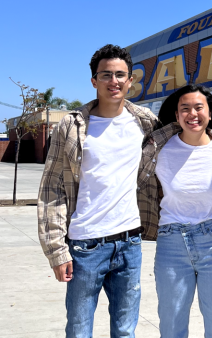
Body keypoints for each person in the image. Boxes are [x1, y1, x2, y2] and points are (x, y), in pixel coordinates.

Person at [38, 44, 158, 337]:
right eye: (106, 75)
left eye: (120, 75)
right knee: (79, 331)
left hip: (130, 243)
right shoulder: (72, 125)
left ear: (130, 80)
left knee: (125, 331)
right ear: (94, 81)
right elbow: (52, 189)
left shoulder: (145, 122)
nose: (113, 81)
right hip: (84, 246)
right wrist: (57, 251)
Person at [135, 84, 212, 338]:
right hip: (171, 243)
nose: (192, 114)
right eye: (184, 109)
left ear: (209, 113)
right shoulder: (157, 149)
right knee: (172, 325)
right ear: (176, 116)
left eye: (199, 108)